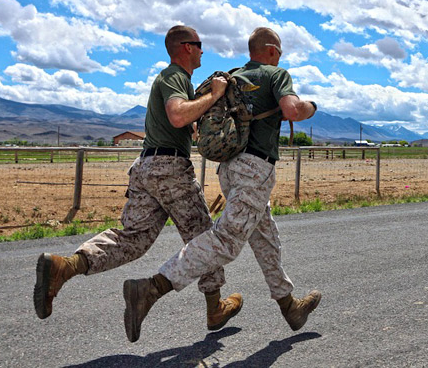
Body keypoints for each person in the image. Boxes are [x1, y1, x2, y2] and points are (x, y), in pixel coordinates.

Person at [34, 25, 242, 332]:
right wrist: (215, 94)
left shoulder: (175, 81)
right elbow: (177, 115)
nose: (202, 50)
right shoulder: (175, 76)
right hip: (168, 168)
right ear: (185, 47)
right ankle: (215, 308)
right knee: (204, 237)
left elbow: (178, 121)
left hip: (147, 167)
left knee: (133, 238)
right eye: (199, 45)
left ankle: (65, 267)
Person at [121, 27, 321, 343]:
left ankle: (289, 305)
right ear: (270, 50)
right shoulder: (275, 74)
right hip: (254, 170)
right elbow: (292, 110)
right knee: (226, 240)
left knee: (265, 234)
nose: (280, 57)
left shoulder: (233, 77)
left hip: (229, 170)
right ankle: (151, 287)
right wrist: (310, 105)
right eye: (279, 51)